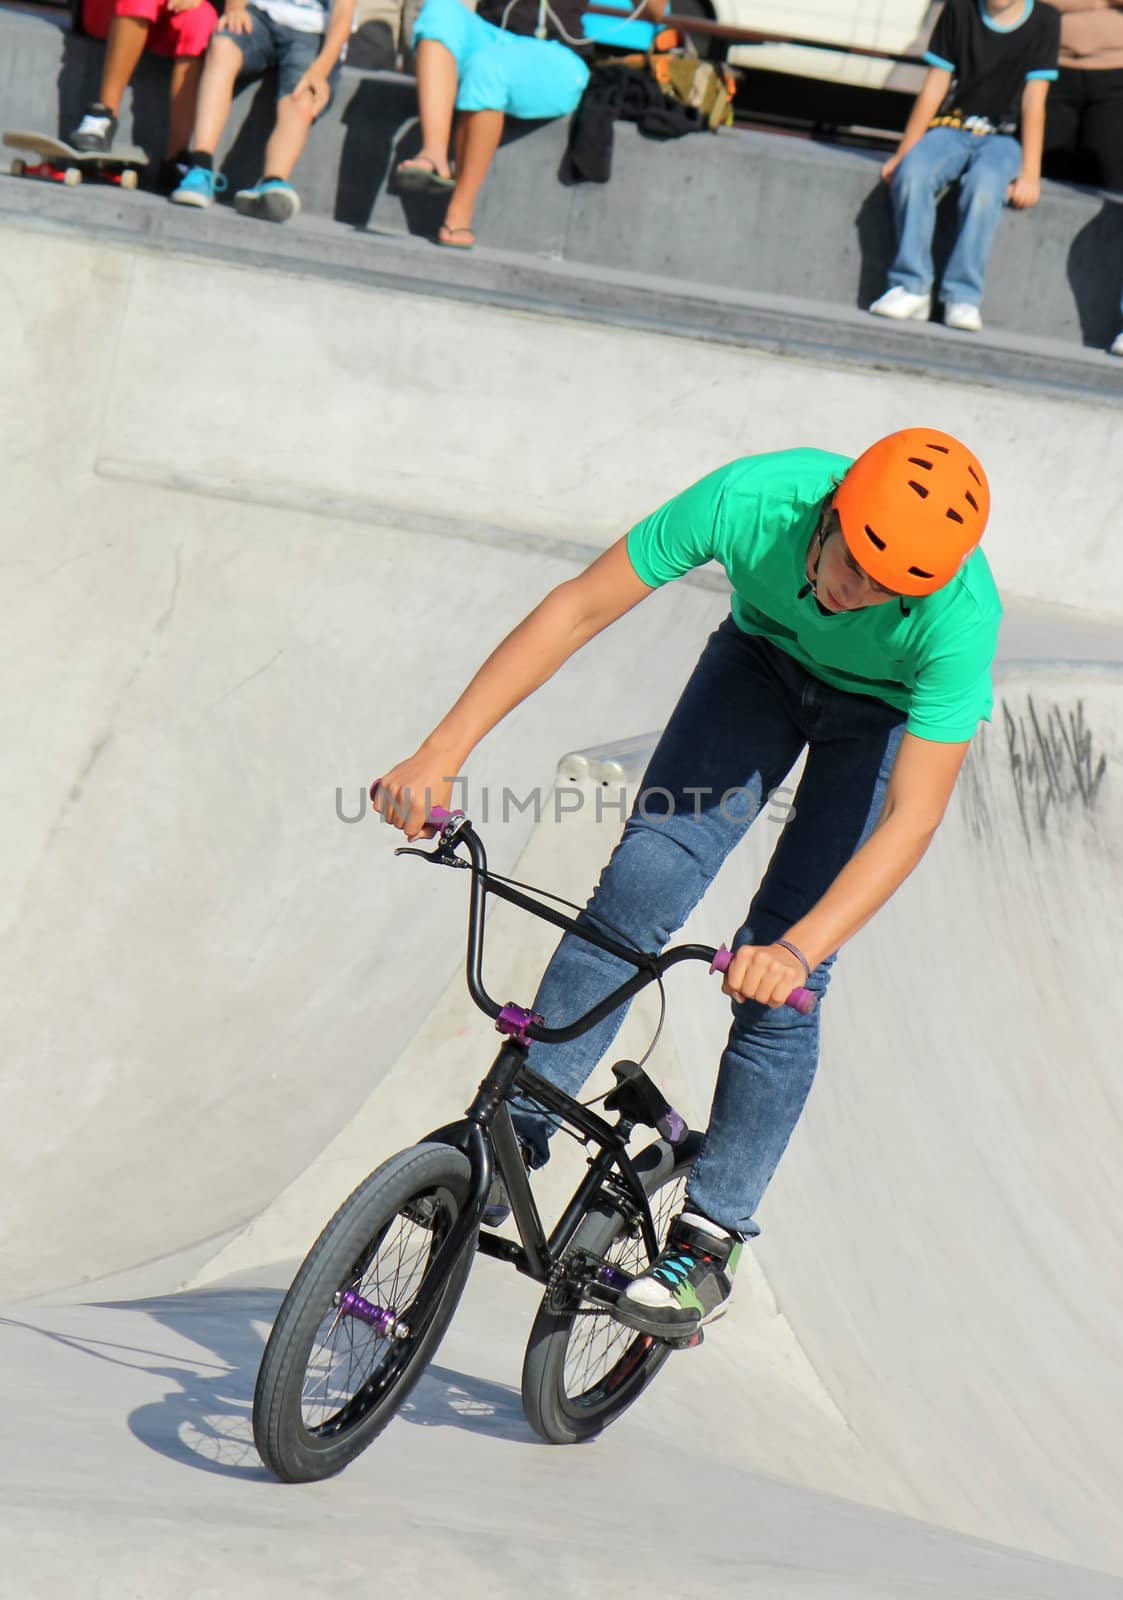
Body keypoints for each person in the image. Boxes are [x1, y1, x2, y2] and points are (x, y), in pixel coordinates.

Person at [375, 429, 1000, 1341]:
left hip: (883, 726)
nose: (852, 595)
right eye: (851, 564)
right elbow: (579, 609)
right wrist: (441, 751)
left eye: (884, 590)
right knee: (635, 889)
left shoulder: (956, 619)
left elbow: (911, 815)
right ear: (826, 515)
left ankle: (710, 1237)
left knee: (783, 988)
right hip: (757, 669)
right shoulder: (754, 500)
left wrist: (795, 952)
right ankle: (518, 1126)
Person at [392, 0, 665, 249]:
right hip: (491, 35)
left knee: (488, 69)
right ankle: (434, 153)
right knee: (439, 10)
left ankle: (459, 211)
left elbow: (655, 11)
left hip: (557, 54)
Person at [870, 0, 1060, 333]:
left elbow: (1034, 102)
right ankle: (911, 285)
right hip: (951, 128)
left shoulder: (1045, 20)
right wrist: (905, 152)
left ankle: (962, 295)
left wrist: (1030, 173)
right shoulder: (959, 9)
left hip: (1004, 140)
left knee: (985, 185)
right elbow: (934, 87)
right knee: (913, 174)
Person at [169, 0, 356, 220]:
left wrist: (321, 69)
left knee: (303, 96)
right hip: (261, 14)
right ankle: (201, 168)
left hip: (314, 33)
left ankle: (273, 183)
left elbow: (344, 13)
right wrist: (235, 9)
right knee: (223, 47)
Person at [70, 0, 218, 191]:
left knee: (202, 19)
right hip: (111, 9)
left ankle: (175, 159)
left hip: (167, 12)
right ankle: (102, 118)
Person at [1042, 0, 1123, 191]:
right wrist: (1102, 3)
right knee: (1049, 176)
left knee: (1109, 173)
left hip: (1115, 72)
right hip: (1051, 68)